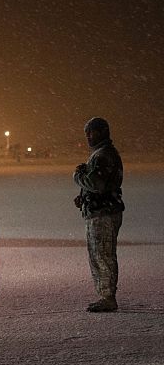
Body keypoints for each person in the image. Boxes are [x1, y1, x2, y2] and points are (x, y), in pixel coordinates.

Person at [73, 117, 124, 313]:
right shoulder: (101, 153)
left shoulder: (103, 155)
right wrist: (84, 198)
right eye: (87, 132)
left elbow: (98, 184)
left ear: (103, 132)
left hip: (103, 213)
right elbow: (100, 185)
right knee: (100, 254)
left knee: (102, 255)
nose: (88, 136)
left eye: (91, 132)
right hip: (102, 210)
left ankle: (107, 297)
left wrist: (78, 177)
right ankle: (105, 295)